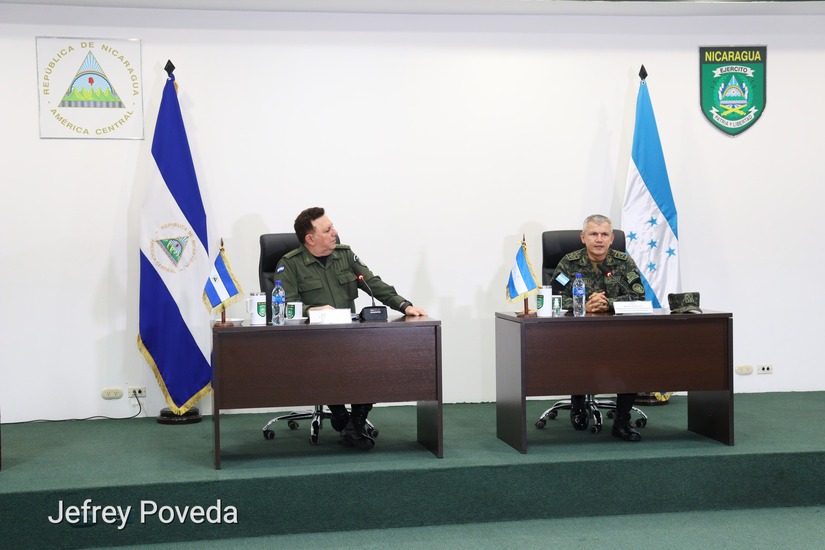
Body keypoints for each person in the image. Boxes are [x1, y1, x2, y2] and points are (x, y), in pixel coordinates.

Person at [276, 207, 427, 450]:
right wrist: (311, 310)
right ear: (310, 238)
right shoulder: (290, 264)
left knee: (374, 360)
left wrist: (404, 305)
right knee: (326, 363)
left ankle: (354, 422)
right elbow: (285, 305)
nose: (335, 232)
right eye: (327, 230)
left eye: (333, 227)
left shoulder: (345, 256)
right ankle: (341, 414)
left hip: (349, 337)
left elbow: (373, 284)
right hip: (312, 342)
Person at [550, 214, 647, 442]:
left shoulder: (623, 262)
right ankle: (578, 402)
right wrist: (582, 304)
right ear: (583, 237)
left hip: (617, 335)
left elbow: (639, 297)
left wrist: (608, 303)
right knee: (579, 356)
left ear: (612, 239)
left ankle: (622, 421)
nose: (599, 239)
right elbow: (553, 298)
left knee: (632, 361)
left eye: (604, 234)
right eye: (593, 234)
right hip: (577, 336)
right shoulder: (569, 263)